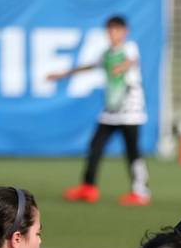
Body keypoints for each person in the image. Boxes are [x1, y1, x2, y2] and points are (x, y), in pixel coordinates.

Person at [49, 15, 151, 206]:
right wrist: (63, 74)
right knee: (95, 146)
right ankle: (88, 187)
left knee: (132, 152)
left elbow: (132, 61)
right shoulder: (107, 54)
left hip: (130, 111)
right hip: (111, 111)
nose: (113, 34)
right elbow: (90, 66)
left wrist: (122, 67)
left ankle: (141, 192)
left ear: (125, 31)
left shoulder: (129, 48)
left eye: (117, 30)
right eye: (110, 30)